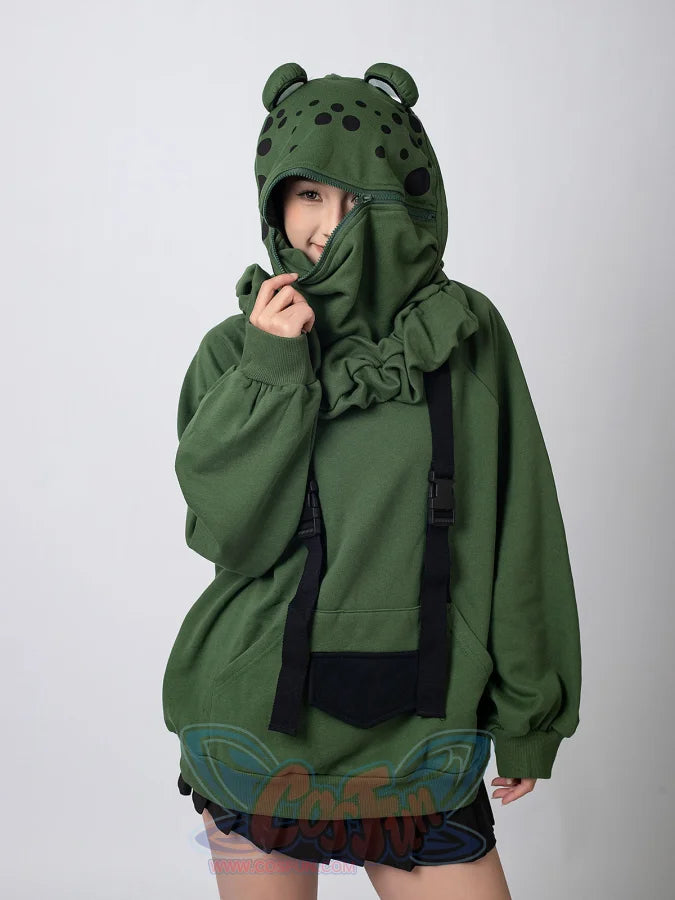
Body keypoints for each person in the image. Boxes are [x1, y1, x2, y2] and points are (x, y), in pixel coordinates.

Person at [163, 62, 582, 899]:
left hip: (423, 732)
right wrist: (273, 368)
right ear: (274, 202)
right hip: (253, 730)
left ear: (407, 200)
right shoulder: (235, 349)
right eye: (307, 193)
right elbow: (228, 535)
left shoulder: (463, 332)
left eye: (358, 197)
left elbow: (519, 523)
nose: (328, 223)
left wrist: (528, 714)